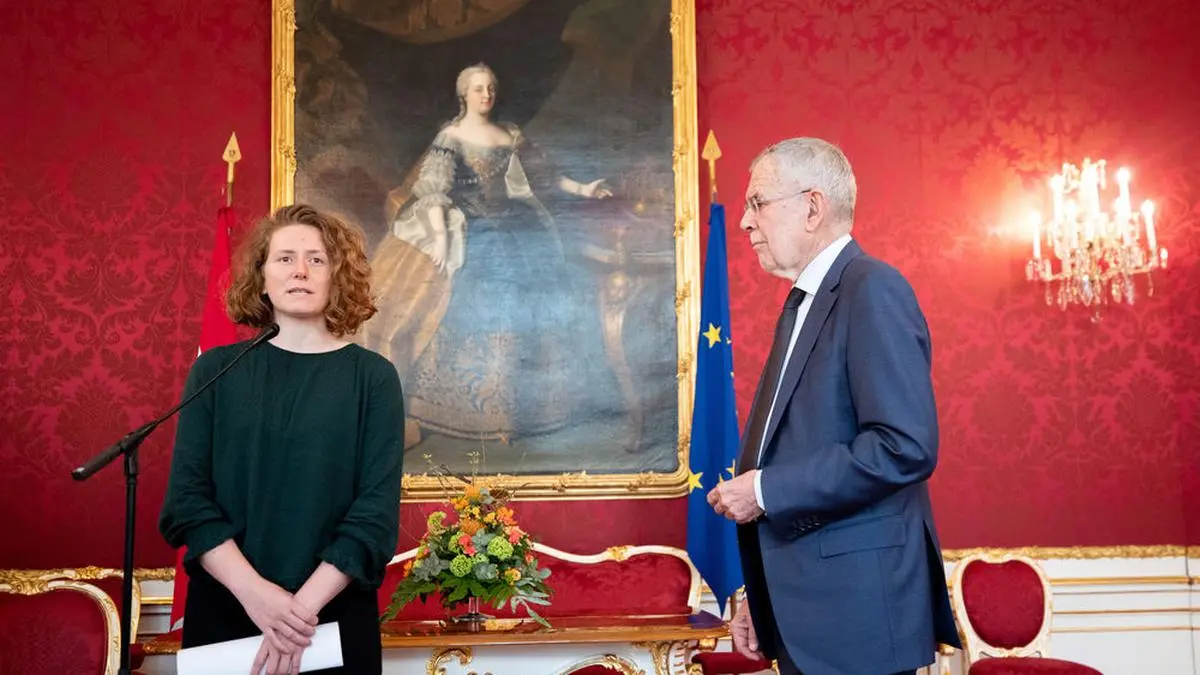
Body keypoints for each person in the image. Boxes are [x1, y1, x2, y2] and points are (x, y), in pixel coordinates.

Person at [706, 138, 960, 675]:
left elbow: (903, 447)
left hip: (857, 623)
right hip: (807, 615)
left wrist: (763, 491)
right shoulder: (806, 302)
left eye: (757, 203)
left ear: (812, 207)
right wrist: (763, 598)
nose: (746, 222)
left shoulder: (872, 288)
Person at [159, 204, 404, 675]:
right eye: (285, 258)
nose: (300, 271)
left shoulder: (374, 377)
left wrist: (296, 615)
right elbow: (187, 503)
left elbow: (373, 518)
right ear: (262, 276)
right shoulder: (215, 371)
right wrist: (258, 597)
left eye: (317, 259)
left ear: (337, 276)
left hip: (330, 618)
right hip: (227, 608)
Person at [360, 62, 611, 447]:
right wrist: (440, 237)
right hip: (470, 228)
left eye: (490, 87)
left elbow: (543, 176)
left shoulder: (509, 134)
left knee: (532, 301)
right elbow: (434, 190)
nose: (486, 94)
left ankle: (523, 409)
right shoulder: (451, 135)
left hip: (517, 226)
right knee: (478, 298)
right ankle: (467, 408)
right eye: (478, 88)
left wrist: (584, 189)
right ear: (464, 94)